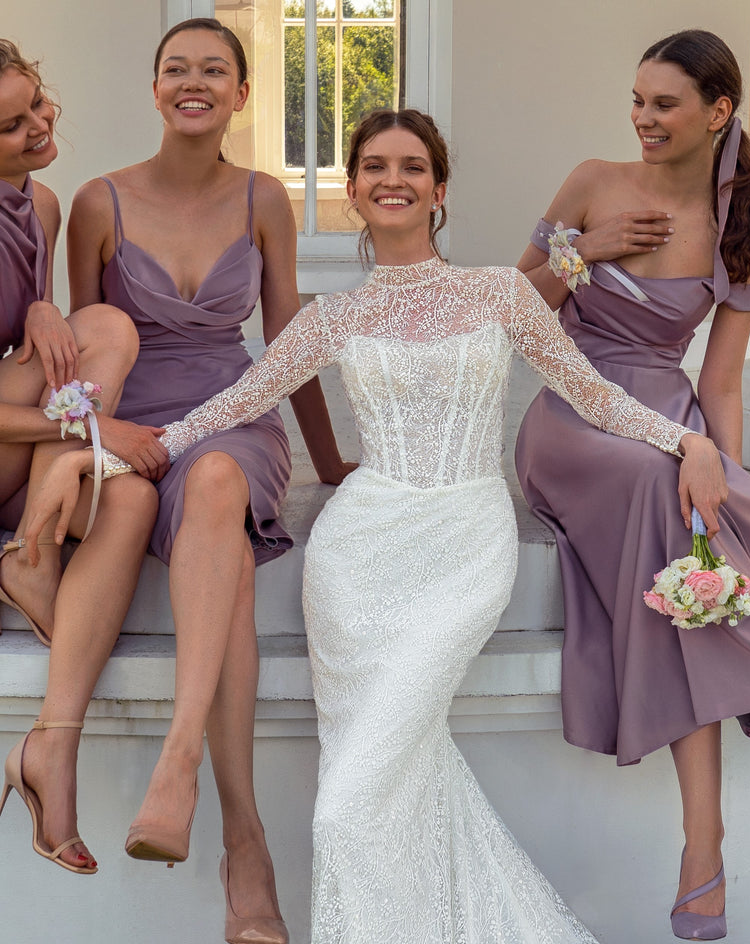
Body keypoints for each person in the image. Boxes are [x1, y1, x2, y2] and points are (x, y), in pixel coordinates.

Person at [32, 106, 734, 943]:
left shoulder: (504, 293)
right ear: (353, 193)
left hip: (464, 547)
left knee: (348, 806)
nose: (391, 179)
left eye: (410, 166)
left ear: (439, 191)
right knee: (394, 776)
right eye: (372, 167)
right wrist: (100, 453)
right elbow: (227, 408)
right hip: (357, 561)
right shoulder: (332, 317)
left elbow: (595, 394)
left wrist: (688, 439)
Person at [22, 18, 349, 944]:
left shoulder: (264, 197)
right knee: (200, 540)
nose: (194, 82)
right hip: (130, 427)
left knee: (214, 485)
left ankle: (178, 767)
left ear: (243, 93)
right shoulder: (97, 202)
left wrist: (330, 465)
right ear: (155, 88)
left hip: (236, 418)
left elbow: (290, 341)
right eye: (177, 69)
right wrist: (92, 438)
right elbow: (66, 357)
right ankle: (247, 849)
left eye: (215, 70)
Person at [515, 28, 750, 941]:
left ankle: (701, 854)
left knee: (696, 514)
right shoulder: (595, 181)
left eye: (664, 104)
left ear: (718, 112)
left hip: (674, 426)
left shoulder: (740, 227)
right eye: (637, 100)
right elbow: (512, 313)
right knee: (657, 482)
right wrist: (585, 248)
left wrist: (725, 474)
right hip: (572, 422)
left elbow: (718, 383)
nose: (642, 118)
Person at [0, 39, 166, 875]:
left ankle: (50, 751)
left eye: (39, 103)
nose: (39, 125)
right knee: (108, 327)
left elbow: (53, 350)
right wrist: (86, 439)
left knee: (133, 501)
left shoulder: (45, 202)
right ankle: (33, 543)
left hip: (15, 446)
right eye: (11, 125)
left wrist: (38, 305)